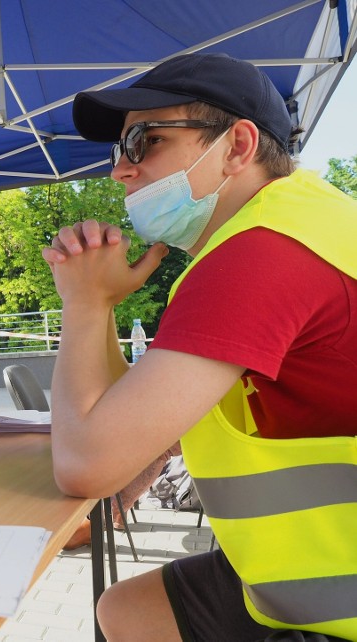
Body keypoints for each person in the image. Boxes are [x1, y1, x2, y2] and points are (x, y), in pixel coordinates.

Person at [43, 52, 357, 641]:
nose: (120, 170)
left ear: (237, 147)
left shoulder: (262, 254)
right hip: (307, 567)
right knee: (129, 610)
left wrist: (84, 306)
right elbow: (122, 428)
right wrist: (101, 304)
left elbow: (88, 465)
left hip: (337, 599)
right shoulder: (302, 225)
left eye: (145, 141)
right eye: (120, 150)